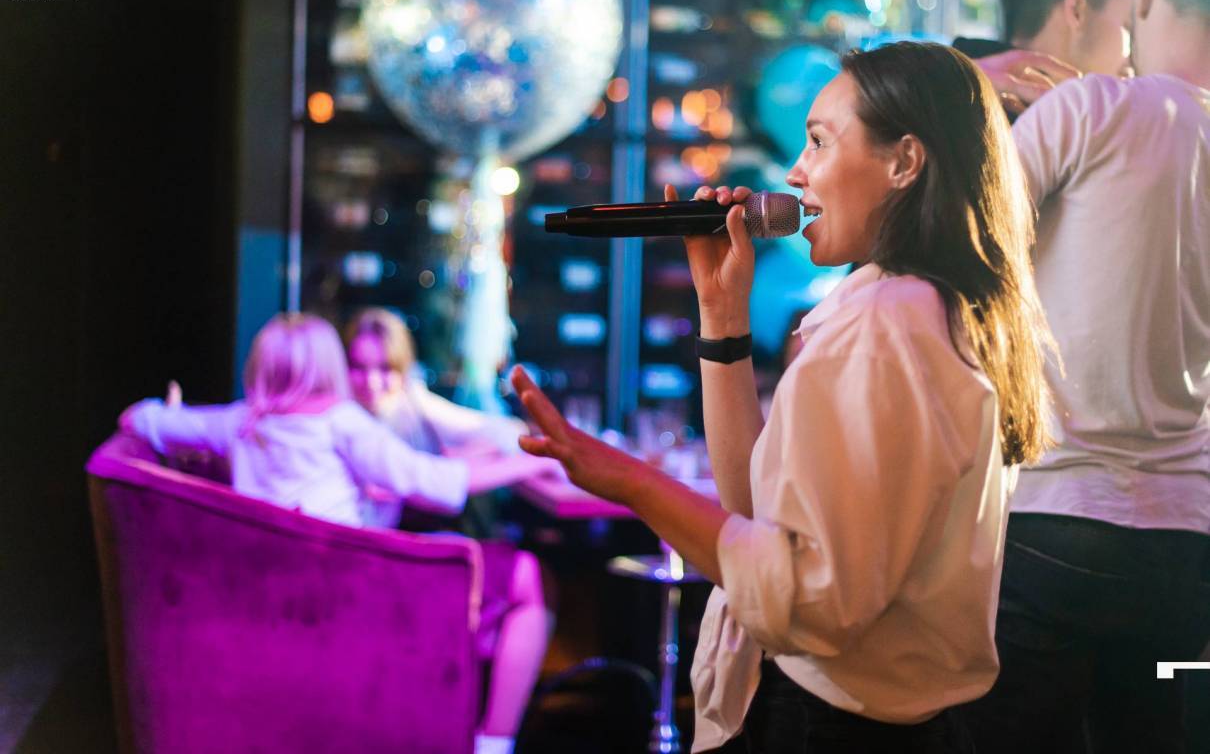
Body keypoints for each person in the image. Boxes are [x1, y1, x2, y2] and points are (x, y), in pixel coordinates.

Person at [510, 41, 1054, 753]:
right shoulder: (935, 310)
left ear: (904, 162)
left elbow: (809, 599)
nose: (796, 172)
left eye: (820, 142)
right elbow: (756, 512)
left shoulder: (885, 324)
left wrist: (630, 481)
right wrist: (722, 317)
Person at [959, 0, 1210, 751]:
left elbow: (960, 248)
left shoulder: (1092, 107)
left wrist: (968, 90)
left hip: (1055, 515)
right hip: (1186, 541)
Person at [121, 313, 554, 754]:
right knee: (525, 577)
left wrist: (165, 414)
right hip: (358, 596)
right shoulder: (343, 423)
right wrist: (538, 461)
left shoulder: (238, 423)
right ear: (331, 366)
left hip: (273, 600)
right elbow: (435, 483)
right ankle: (493, 744)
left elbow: (137, 420)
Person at [343, 307, 528, 530]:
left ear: (403, 369)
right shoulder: (339, 415)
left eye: (385, 368)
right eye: (359, 367)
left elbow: (506, 432)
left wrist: (458, 457)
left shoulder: (412, 402)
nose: (371, 382)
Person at [956, 0, 1141, 115]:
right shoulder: (962, 103)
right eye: (1129, 28)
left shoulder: (962, 93)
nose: (1136, 54)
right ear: (1076, 10)